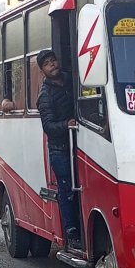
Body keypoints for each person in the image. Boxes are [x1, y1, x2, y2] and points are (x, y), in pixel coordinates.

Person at [36, 49, 80, 249]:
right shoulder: (45, 95)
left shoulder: (72, 81)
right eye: (47, 63)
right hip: (60, 150)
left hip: (80, 146)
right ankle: (72, 232)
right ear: (42, 70)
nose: (52, 64)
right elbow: (48, 127)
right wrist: (67, 124)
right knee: (67, 190)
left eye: (54, 60)